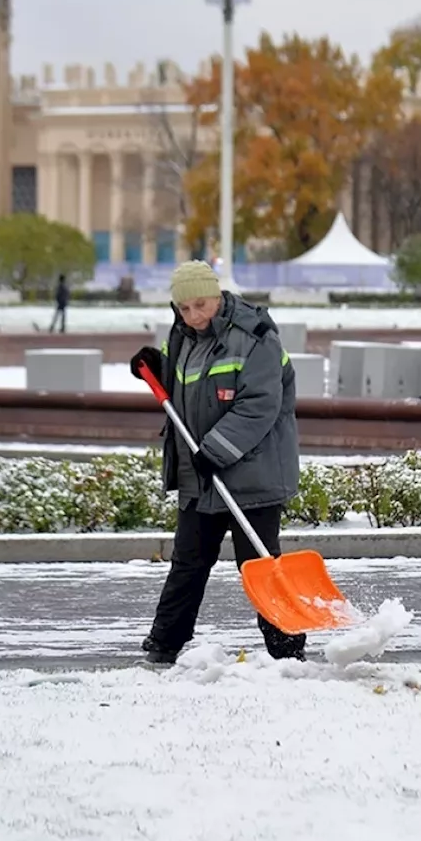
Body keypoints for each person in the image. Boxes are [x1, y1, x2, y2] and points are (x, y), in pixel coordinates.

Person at [129, 260, 304, 665]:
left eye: (201, 305)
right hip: (201, 475)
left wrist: (216, 450)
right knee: (188, 560)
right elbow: (185, 387)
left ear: (218, 296)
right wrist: (158, 367)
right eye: (185, 308)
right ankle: (163, 645)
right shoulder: (183, 335)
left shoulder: (256, 338)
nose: (194, 316)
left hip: (252, 474)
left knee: (257, 564)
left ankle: (288, 652)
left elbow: (261, 405)